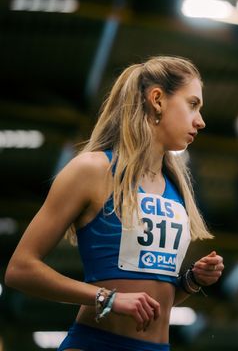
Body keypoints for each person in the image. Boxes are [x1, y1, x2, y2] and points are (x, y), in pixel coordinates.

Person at [5, 56, 224, 351]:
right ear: (157, 99)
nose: (201, 120)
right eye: (193, 104)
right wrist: (107, 298)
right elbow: (20, 269)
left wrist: (191, 281)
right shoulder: (91, 170)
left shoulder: (175, 187)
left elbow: (150, 300)